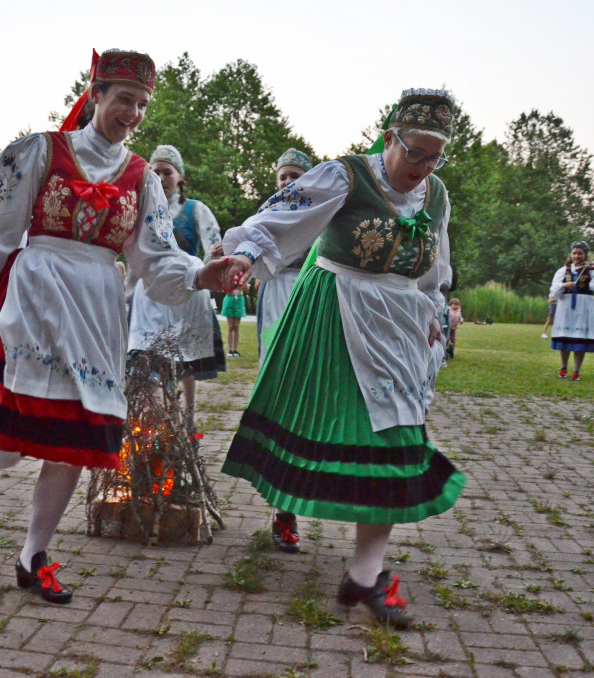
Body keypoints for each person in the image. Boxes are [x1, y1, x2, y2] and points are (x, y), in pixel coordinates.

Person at [0, 50, 247, 605]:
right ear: (96, 96)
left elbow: (154, 258)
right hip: (33, 294)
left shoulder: (141, 180)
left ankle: (32, 555)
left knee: (74, 440)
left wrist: (203, 274)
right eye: (123, 99)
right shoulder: (43, 151)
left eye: (141, 104)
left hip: (95, 306)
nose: (131, 112)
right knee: (9, 426)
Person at [218, 89, 465, 626]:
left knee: (398, 434)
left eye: (433, 158)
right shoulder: (345, 176)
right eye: (414, 153)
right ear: (389, 138)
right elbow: (280, 218)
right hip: (335, 309)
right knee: (321, 422)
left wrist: (434, 316)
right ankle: (295, 512)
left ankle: (364, 576)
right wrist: (243, 253)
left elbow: (433, 269)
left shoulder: (437, 196)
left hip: (399, 321)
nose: (422, 169)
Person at [127, 144, 226, 429]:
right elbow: (136, 257)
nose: (161, 177)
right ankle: (158, 422)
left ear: (179, 177)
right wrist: (125, 293)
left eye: (167, 172)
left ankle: (189, 417)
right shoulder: (142, 210)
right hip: (150, 294)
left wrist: (209, 271)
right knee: (149, 358)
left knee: (185, 358)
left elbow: (212, 246)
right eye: (155, 172)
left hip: (188, 290)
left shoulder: (195, 209)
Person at [255, 149, 315, 357]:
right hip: (275, 284)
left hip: (306, 283)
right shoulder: (269, 210)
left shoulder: (318, 210)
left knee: (301, 345)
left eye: (295, 176)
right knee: (273, 343)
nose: (288, 181)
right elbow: (255, 240)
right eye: (283, 177)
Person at [549, 241, 594, 380]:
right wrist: (564, 284)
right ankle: (563, 367)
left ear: (585, 254)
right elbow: (554, 290)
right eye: (574, 253)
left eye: (580, 253)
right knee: (565, 336)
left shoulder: (592, 269)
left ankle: (576, 370)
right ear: (571, 254)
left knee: (579, 339)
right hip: (566, 305)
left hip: (584, 306)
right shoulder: (563, 270)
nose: (577, 256)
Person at [222, 282, 248, 357]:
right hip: (229, 298)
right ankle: (230, 350)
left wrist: (244, 282)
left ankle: (235, 350)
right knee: (230, 326)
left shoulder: (242, 275)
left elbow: (247, 290)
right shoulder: (228, 275)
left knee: (236, 326)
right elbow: (223, 290)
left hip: (239, 299)